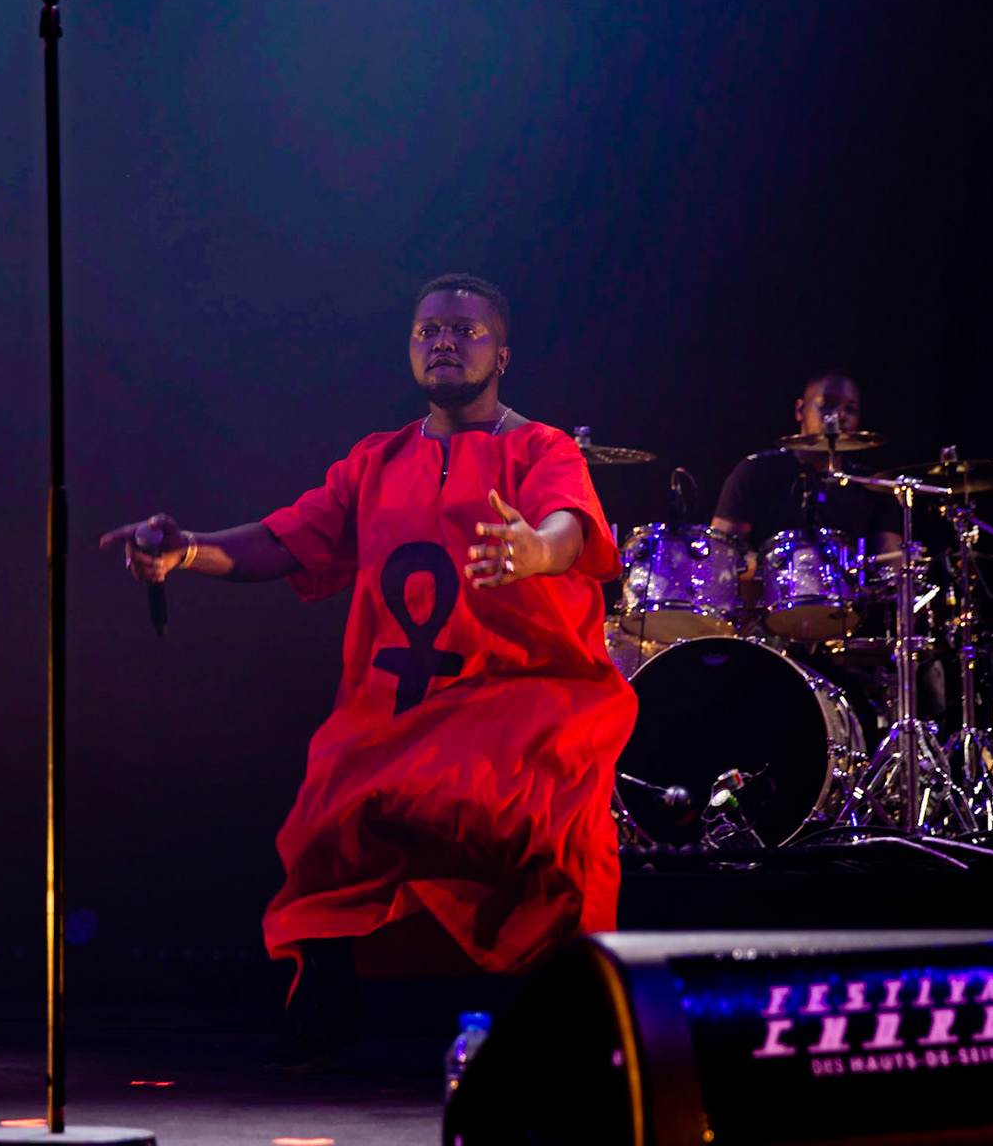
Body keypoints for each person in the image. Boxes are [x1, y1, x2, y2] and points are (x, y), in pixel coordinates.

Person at [103, 273, 635, 1073]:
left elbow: (568, 525)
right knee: (328, 810)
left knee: (534, 820)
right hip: (395, 705)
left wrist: (536, 548)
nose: (444, 341)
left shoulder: (540, 447)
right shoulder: (374, 462)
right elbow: (286, 541)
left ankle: (559, 1015)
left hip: (521, 691)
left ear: (504, 354)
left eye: (466, 330)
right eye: (428, 331)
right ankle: (327, 1000)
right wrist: (186, 551)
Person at [711, 370, 904, 563]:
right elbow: (721, 549)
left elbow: (891, 559)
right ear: (800, 410)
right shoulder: (756, 471)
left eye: (850, 409)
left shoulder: (871, 484)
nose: (840, 416)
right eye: (827, 405)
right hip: (772, 589)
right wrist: (767, 569)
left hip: (848, 591)